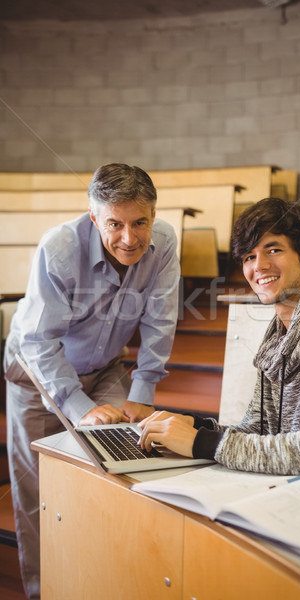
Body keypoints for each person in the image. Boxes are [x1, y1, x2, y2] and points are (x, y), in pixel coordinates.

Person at [138, 197, 300, 494]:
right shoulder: (276, 338)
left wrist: (201, 443)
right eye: (249, 257)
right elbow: (256, 432)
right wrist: (196, 427)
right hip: (296, 494)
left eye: (273, 250)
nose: (259, 266)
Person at [4, 163, 180, 599]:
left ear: (153, 214)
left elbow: (161, 321)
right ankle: (42, 591)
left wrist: (143, 392)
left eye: (140, 221)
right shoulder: (60, 247)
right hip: (36, 375)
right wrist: (79, 407)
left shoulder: (166, 243)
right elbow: (39, 342)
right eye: (114, 224)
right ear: (93, 216)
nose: (129, 237)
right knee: (36, 494)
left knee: (124, 462)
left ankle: (106, 583)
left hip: (104, 368)